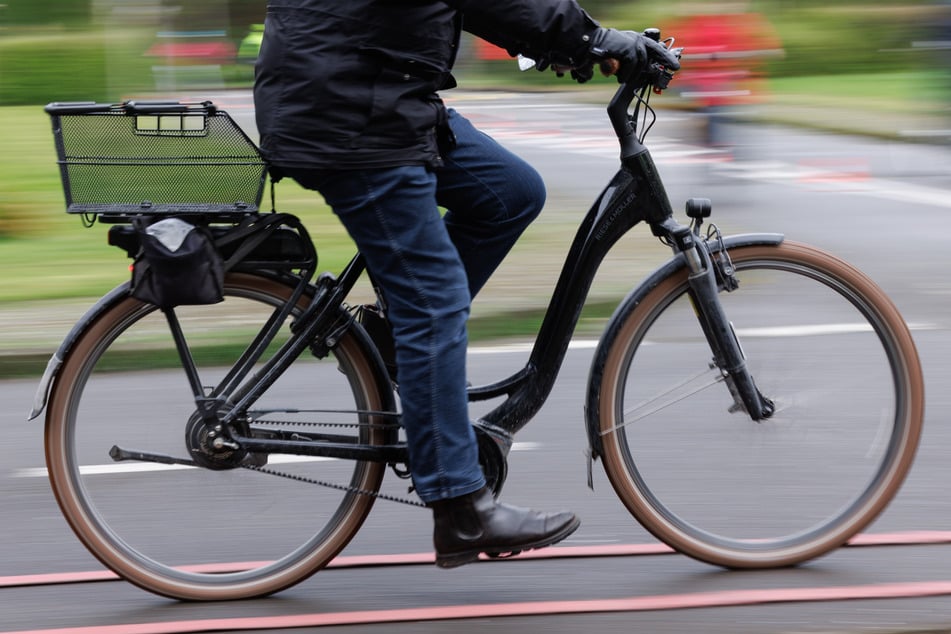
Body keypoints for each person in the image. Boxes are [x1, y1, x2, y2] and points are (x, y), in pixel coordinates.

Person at [253, 0, 680, 569]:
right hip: (352, 113)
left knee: (511, 191)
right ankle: (461, 507)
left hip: (368, 91)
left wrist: (571, 45)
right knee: (433, 302)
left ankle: (389, 339)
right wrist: (598, 38)